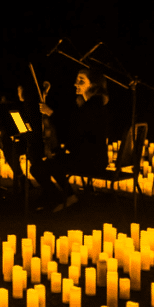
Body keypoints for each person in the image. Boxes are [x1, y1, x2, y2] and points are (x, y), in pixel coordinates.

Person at [33, 67, 110, 212]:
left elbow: (73, 133)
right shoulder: (93, 105)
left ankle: (61, 196)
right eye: (76, 80)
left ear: (94, 85)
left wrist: (51, 115)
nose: (76, 84)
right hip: (93, 158)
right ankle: (67, 196)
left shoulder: (91, 108)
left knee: (39, 167)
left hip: (90, 161)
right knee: (52, 162)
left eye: (81, 81)